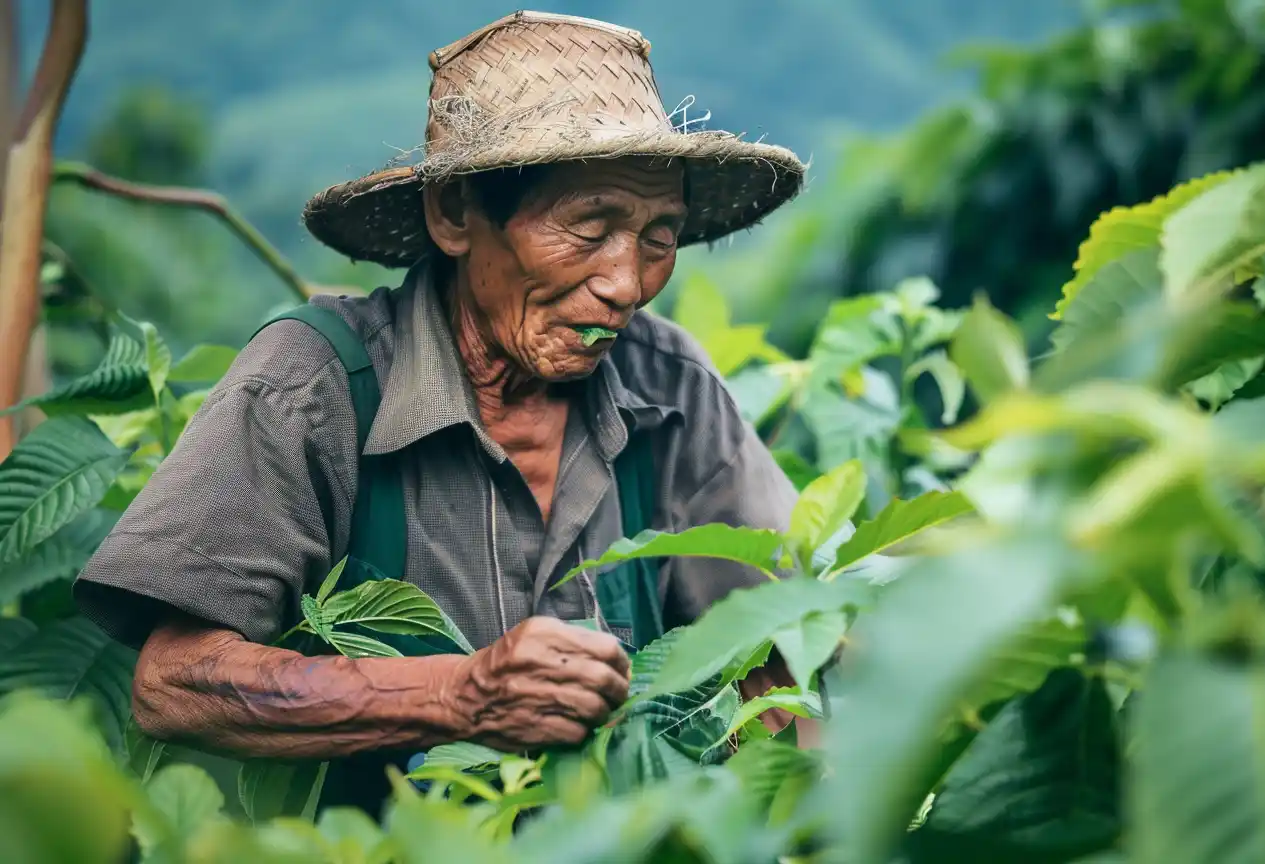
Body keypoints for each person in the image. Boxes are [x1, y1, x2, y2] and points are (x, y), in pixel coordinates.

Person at [74, 10, 811, 817]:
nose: (627, 284)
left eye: (658, 238)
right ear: (455, 214)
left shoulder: (670, 386)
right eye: (590, 228)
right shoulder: (316, 384)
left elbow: (777, 654)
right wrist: (458, 694)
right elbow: (176, 683)